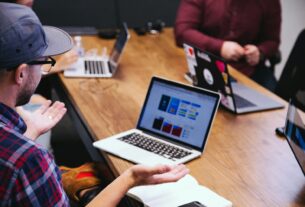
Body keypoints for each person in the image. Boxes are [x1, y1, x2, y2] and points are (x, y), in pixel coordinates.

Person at [0, 3, 189, 206]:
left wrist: (29, 134)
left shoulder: (18, 151)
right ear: (21, 73)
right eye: (44, 62)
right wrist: (130, 178)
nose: (44, 69)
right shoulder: (30, 161)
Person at [174, 0, 281, 89]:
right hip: (203, 61)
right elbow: (183, 32)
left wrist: (260, 51)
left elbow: (272, 41)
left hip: (248, 71)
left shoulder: (270, 2)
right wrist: (220, 47)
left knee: (278, 106)